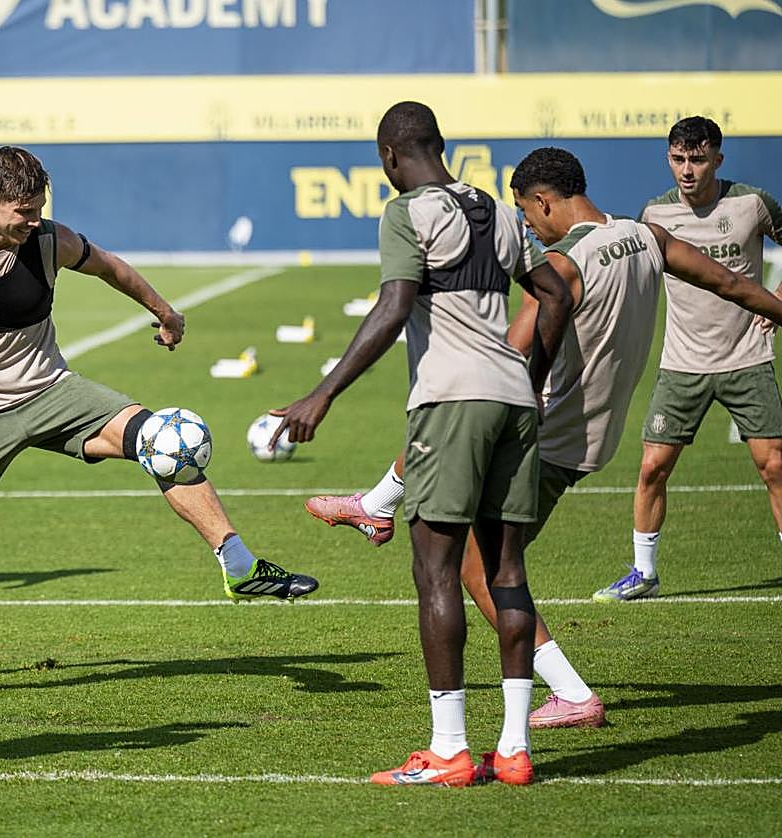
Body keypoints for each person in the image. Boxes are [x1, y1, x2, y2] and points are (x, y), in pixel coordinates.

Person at [0, 145, 318, 701]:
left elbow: (113, 269)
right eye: (22, 212)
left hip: (55, 393)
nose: (32, 221)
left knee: (166, 441)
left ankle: (239, 566)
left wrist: (165, 312)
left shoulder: (51, 240)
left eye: (38, 208)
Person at [304, 146, 782, 733]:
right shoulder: (647, 236)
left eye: (526, 214)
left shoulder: (565, 262)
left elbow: (508, 351)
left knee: (475, 562)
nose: (526, 225)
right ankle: (378, 501)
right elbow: (733, 284)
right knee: (483, 538)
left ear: (543, 201)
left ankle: (570, 692)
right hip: (598, 436)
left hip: (551, 432)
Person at [273, 103, 573, 786]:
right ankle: (516, 750)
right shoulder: (500, 212)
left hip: (450, 404)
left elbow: (394, 304)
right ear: (442, 146)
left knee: (436, 571)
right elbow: (554, 296)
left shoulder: (407, 212)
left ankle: (449, 751)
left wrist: (323, 393)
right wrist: (529, 379)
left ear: (389, 156)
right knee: (508, 572)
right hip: (511, 403)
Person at [595, 116, 782, 601]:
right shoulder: (653, 216)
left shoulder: (752, 203)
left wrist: (778, 296)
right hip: (682, 363)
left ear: (717, 160)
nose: (687, 170)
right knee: (652, 467)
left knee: (775, 466)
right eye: (678, 159)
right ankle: (644, 574)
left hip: (746, 357)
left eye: (697, 159)